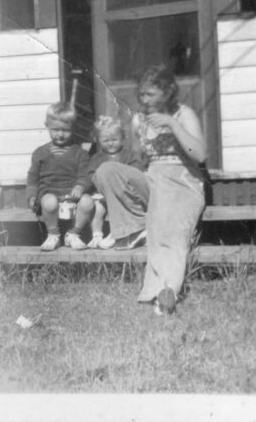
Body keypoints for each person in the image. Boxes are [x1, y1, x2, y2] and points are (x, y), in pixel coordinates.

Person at [93, 65, 208, 315]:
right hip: (154, 178)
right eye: (142, 94)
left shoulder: (183, 114)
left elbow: (199, 155)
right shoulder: (138, 120)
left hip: (183, 180)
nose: (144, 100)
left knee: (169, 230)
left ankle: (166, 289)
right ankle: (134, 228)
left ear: (168, 92)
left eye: (151, 94)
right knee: (107, 170)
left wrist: (171, 125)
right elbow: (139, 160)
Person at [26, 102, 95, 251]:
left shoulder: (79, 153)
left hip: (72, 195)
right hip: (49, 193)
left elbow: (86, 174)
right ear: (47, 126)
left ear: (73, 128)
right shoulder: (40, 153)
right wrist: (31, 196)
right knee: (49, 202)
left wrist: (80, 186)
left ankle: (73, 234)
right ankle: (53, 234)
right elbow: (32, 178)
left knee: (88, 202)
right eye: (55, 130)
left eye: (66, 130)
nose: (60, 134)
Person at [85, 115, 148, 249]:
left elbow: (136, 173)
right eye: (105, 140)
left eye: (114, 139)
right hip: (103, 195)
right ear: (97, 140)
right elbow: (90, 175)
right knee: (98, 209)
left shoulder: (129, 154)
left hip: (126, 194)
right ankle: (97, 235)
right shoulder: (96, 158)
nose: (110, 143)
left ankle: (122, 232)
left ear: (123, 137)